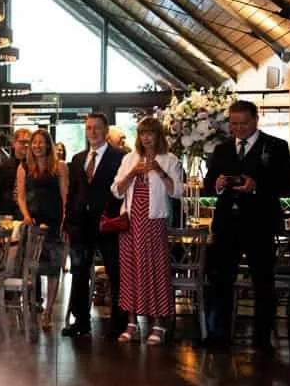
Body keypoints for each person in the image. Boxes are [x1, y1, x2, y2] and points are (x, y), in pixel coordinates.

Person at [202, 100, 290, 350]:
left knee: (262, 281)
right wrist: (217, 184)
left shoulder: (275, 146)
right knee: (220, 280)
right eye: (233, 124)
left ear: (255, 120)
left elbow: (287, 183)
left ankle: (262, 339)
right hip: (226, 224)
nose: (238, 129)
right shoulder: (222, 149)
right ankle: (217, 336)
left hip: (260, 224)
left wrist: (257, 186)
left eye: (243, 124)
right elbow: (207, 183)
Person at [110, 117, 185, 345]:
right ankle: (131, 323)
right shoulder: (129, 159)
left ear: (158, 135)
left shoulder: (169, 159)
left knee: (155, 272)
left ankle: (158, 324)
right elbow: (116, 190)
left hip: (154, 223)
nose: (146, 137)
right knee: (131, 272)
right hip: (130, 224)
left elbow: (177, 192)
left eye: (151, 133)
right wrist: (132, 173)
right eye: (143, 133)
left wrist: (160, 172)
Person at [63, 113, 125, 339]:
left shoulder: (120, 157)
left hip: (108, 223)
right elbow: (72, 192)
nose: (92, 132)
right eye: (89, 128)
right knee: (79, 272)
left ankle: (118, 323)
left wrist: (114, 216)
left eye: (97, 128)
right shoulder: (78, 159)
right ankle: (81, 321)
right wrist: (69, 219)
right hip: (81, 225)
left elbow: (123, 191)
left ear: (106, 130)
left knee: (115, 272)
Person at [16, 127, 67, 329]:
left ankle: (48, 313)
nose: (37, 146)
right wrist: (26, 216)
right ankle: (32, 307)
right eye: (34, 142)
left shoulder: (59, 166)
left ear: (48, 145)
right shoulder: (24, 167)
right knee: (32, 268)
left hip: (54, 223)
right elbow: (20, 196)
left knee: (53, 269)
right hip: (33, 223)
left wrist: (65, 220)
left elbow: (65, 196)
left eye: (41, 142)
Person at [0, 128, 32, 222]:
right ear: (14, 143)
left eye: (28, 142)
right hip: (9, 214)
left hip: (30, 214)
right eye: (22, 142)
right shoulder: (3, 168)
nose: (26, 145)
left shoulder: (35, 167)